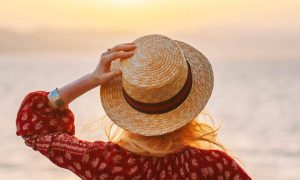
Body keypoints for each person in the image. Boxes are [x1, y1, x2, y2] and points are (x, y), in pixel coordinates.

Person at [16, 34, 252, 179]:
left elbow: (34, 126)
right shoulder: (212, 167)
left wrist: (91, 79)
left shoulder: (107, 164)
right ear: (189, 103)